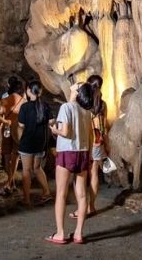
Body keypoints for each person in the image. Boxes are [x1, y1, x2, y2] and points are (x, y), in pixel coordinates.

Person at [47, 83, 94, 245]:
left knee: (61, 193)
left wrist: (54, 130)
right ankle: (79, 233)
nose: (73, 84)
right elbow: (90, 137)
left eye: (76, 85)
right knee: (81, 195)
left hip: (67, 152)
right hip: (83, 152)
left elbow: (65, 132)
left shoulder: (66, 107)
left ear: (77, 91)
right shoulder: (87, 112)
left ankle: (60, 234)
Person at [70, 75, 107, 218]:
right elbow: (104, 127)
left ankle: (81, 209)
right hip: (97, 141)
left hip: (84, 141)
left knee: (80, 175)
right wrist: (106, 145)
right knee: (94, 174)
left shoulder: (84, 102)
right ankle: (91, 206)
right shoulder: (102, 104)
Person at [17, 80, 53, 206]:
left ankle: (26, 199)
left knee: (26, 170)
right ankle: (47, 192)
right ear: (41, 91)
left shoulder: (25, 107)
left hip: (27, 142)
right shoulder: (46, 106)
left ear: (28, 91)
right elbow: (51, 122)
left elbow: (21, 125)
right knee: (37, 168)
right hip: (40, 143)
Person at [0, 77, 24, 195]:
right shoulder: (24, 102)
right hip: (19, 131)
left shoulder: (4, 100)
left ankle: (10, 181)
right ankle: (10, 182)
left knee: (7, 157)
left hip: (7, 130)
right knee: (16, 157)